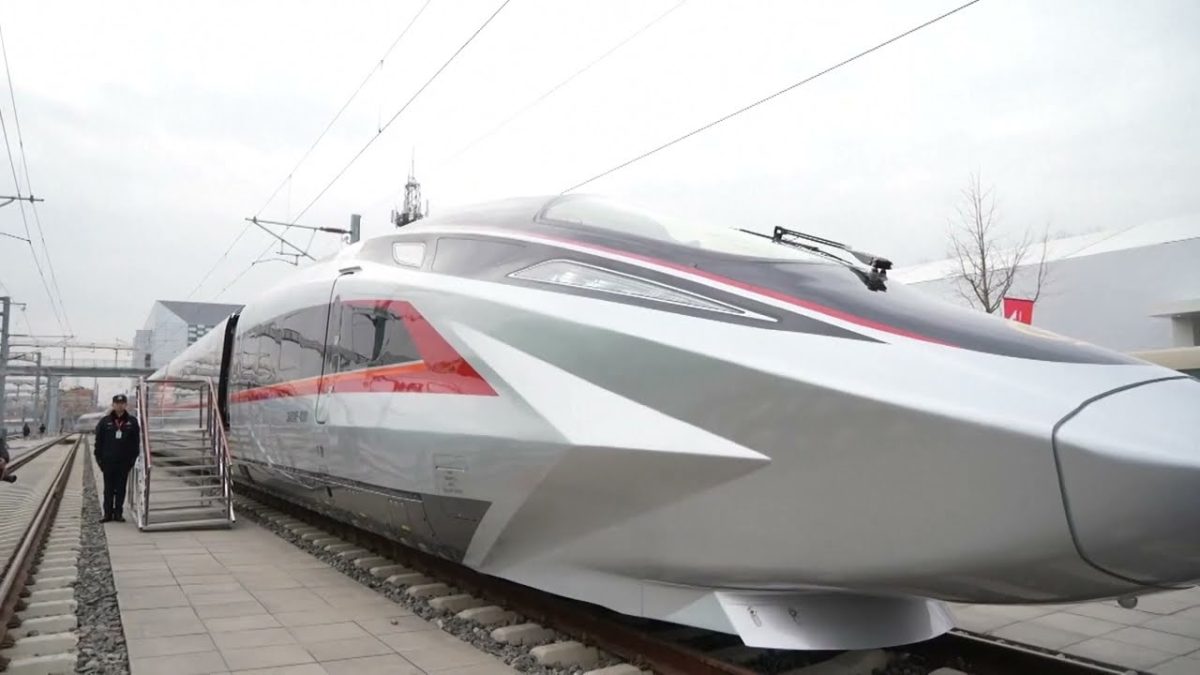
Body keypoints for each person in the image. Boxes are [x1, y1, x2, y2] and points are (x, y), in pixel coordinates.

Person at [93, 394, 140, 523]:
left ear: (126, 405)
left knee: (120, 488)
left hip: (124, 462)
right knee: (108, 489)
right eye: (117, 403)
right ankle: (107, 514)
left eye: (122, 403)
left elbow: (136, 443)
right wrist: (99, 459)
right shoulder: (105, 422)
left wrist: (132, 461)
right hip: (108, 462)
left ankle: (118, 513)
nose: (120, 405)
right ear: (113, 405)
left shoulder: (132, 422)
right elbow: (98, 442)